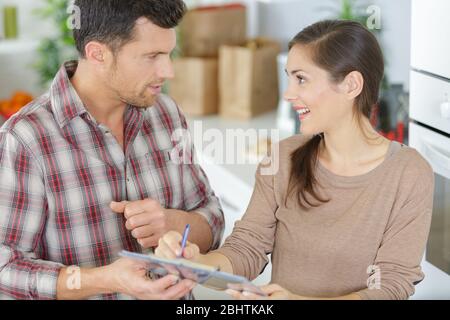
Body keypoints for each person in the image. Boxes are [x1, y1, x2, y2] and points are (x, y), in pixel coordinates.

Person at [155, 20, 434, 300]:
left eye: (301, 79)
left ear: (351, 85)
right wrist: (196, 264)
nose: (288, 94)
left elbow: (390, 286)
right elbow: (246, 249)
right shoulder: (283, 158)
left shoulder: (408, 173)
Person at [0, 0, 224, 300]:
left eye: (169, 53)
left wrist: (172, 223)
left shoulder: (167, 114)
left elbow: (212, 217)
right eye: (152, 56)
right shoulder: (26, 139)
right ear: (98, 54)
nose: (168, 70)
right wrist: (104, 279)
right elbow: (6, 267)